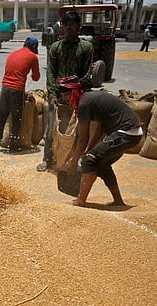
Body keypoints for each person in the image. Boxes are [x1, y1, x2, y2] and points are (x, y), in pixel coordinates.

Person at [60, 75, 143, 208]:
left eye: (66, 95)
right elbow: (100, 128)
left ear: (74, 92)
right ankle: (118, 201)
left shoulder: (84, 103)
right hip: (131, 133)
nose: (66, 99)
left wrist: (74, 162)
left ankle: (81, 200)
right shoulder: (91, 98)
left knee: (89, 160)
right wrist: (90, 149)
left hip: (126, 132)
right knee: (101, 164)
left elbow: (83, 137)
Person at [37, 11, 94, 172]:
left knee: (75, 131)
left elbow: (85, 74)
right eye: (65, 25)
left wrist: (76, 95)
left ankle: (70, 160)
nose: (68, 28)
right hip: (57, 97)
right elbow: (51, 73)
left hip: (77, 98)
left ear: (78, 27)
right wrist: (53, 94)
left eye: (71, 25)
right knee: (51, 130)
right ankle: (47, 159)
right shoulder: (55, 48)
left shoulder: (86, 47)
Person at [0, 35, 40, 152]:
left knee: (2, 117)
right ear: (33, 46)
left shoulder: (13, 53)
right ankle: (13, 146)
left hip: (5, 88)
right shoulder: (33, 57)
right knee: (16, 118)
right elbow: (36, 77)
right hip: (17, 90)